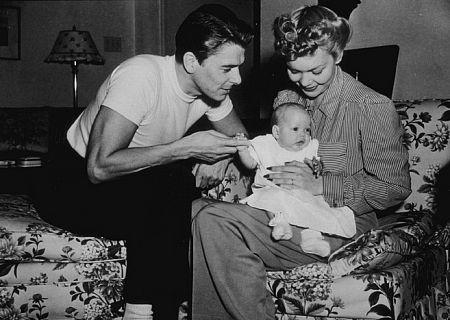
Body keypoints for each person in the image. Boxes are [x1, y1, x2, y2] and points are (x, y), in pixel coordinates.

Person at [191, 5, 411, 320]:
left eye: (316, 71)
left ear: (337, 55)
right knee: (197, 209)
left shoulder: (371, 107)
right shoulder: (287, 98)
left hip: (338, 222)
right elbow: (272, 151)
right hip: (287, 211)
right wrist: (228, 157)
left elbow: (394, 187)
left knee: (215, 221)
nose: (305, 81)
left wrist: (322, 185)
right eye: (295, 70)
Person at [63, 4, 253, 320]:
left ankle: (164, 310)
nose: (237, 78)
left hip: (137, 181)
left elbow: (241, 140)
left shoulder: (213, 91)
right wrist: (184, 148)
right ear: (192, 61)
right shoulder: (142, 76)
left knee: (178, 192)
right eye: (227, 68)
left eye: (239, 67)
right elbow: (98, 167)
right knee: (172, 184)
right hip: (74, 181)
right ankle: (141, 311)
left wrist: (224, 154)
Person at [236, 102, 356, 257]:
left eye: (307, 130)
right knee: (271, 199)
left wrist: (317, 167)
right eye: (295, 129)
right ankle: (280, 224)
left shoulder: (309, 147)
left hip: (302, 193)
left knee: (315, 209)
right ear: (277, 132)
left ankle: (313, 239)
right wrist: (242, 151)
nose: (303, 135)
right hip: (272, 189)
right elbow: (250, 163)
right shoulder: (266, 145)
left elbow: (318, 167)